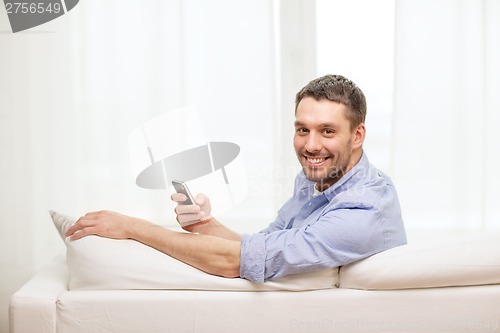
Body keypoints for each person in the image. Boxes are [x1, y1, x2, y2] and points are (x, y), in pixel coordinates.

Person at [66, 74, 407, 283]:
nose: (310, 145)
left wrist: (132, 227)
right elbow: (262, 245)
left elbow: (239, 261)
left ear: (358, 134)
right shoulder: (316, 179)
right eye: (303, 129)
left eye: (327, 131)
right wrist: (206, 225)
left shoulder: (364, 207)